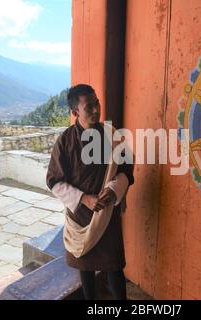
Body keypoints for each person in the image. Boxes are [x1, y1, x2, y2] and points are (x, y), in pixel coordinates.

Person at [46, 84, 134, 300]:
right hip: (80, 218)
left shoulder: (112, 135)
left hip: (105, 215)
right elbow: (53, 181)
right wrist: (84, 199)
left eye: (97, 103)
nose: (96, 110)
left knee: (114, 268)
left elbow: (126, 169)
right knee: (85, 269)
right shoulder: (65, 142)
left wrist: (113, 190)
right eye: (89, 107)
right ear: (75, 112)